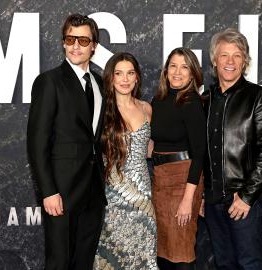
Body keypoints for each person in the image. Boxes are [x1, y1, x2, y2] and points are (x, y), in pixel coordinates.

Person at [27, 14, 106, 269]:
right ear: (63, 42)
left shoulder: (99, 82)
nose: (76, 46)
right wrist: (48, 191)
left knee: (83, 262)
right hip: (61, 192)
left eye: (83, 40)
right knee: (59, 263)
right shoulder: (49, 81)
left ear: (94, 46)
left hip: (93, 192)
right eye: (70, 39)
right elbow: (37, 142)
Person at [202, 28, 262, 269]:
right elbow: (200, 151)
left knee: (249, 264)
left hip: (244, 200)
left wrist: (246, 197)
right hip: (214, 202)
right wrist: (204, 195)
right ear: (215, 60)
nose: (230, 62)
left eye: (237, 55)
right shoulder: (205, 99)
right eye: (224, 55)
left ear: (245, 61)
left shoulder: (259, 97)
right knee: (224, 264)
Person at [93, 52, 157, 269]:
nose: (125, 79)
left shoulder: (146, 108)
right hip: (112, 198)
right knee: (112, 257)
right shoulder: (100, 110)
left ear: (137, 77)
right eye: (119, 73)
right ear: (110, 78)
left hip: (142, 197)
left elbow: (149, 148)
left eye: (130, 73)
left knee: (142, 256)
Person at [150, 47, 206, 270]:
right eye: (173, 65)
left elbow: (199, 154)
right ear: (166, 71)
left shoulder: (191, 103)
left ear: (192, 74)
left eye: (184, 67)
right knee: (163, 252)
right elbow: (155, 143)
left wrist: (188, 200)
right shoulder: (159, 100)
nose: (177, 72)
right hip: (159, 180)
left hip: (183, 180)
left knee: (181, 253)